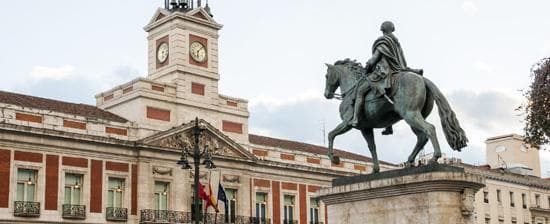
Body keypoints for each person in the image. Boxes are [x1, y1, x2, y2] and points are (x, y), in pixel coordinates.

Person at [349, 21, 423, 135]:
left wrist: (368, 65)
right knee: (392, 99)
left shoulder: (382, 41)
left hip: (383, 72)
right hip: (397, 70)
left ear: (382, 30)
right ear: (392, 29)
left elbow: (374, 59)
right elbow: (401, 59)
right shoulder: (396, 41)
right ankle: (389, 126)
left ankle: (355, 119)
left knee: (360, 91)